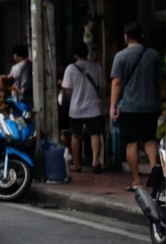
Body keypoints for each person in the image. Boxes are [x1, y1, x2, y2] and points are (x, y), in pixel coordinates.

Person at [110, 21, 162, 191]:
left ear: (126, 36)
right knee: (150, 140)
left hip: (130, 107)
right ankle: (156, 174)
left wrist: (113, 106)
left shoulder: (121, 56)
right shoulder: (153, 55)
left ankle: (136, 180)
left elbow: (116, 82)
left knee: (131, 143)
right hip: (151, 106)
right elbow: (159, 80)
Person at [62, 43, 106, 174]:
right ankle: (95, 162)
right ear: (87, 53)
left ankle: (76, 164)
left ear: (75, 54)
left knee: (76, 135)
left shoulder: (71, 68)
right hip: (93, 106)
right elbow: (102, 84)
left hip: (76, 108)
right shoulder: (96, 66)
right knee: (95, 134)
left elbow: (67, 87)